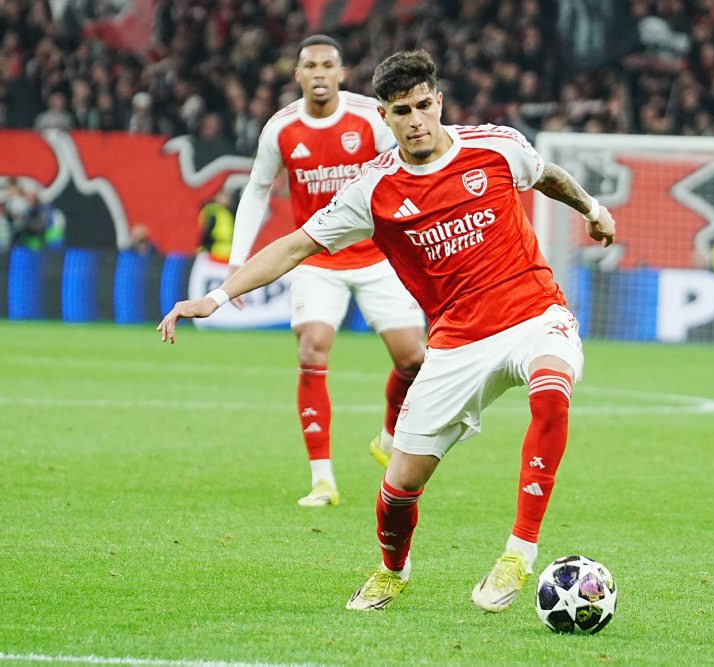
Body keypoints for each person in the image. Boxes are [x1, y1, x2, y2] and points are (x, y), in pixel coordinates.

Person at [158, 49, 615, 614]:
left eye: (424, 105)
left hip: (534, 315)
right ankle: (392, 571)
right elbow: (296, 246)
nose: (416, 120)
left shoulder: (497, 147)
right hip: (455, 343)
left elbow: (548, 176)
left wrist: (593, 210)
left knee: (551, 393)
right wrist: (216, 296)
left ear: (439, 101)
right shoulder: (372, 190)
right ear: (384, 115)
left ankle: (518, 553)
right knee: (399, 488)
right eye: (402, 111)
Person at [226, 35, 426, 509]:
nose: (319, 73)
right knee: (312, 347)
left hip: (378, 255)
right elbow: (257, 189)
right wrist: (238, 260)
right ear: (297, 75)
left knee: (414, 360)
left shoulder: (370, 117)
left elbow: (405, 171)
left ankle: (388, 436)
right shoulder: (281, 128)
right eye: (310, 65)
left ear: (341, 73)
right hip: (316, 258)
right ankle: (322, 480)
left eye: (327, 65)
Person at [197, 189, 236, 263]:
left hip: (228, 253)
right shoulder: (211, 212)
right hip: (214, 252)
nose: (227, 198)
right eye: (223, 196)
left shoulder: (228, 212)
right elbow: (205, 232)